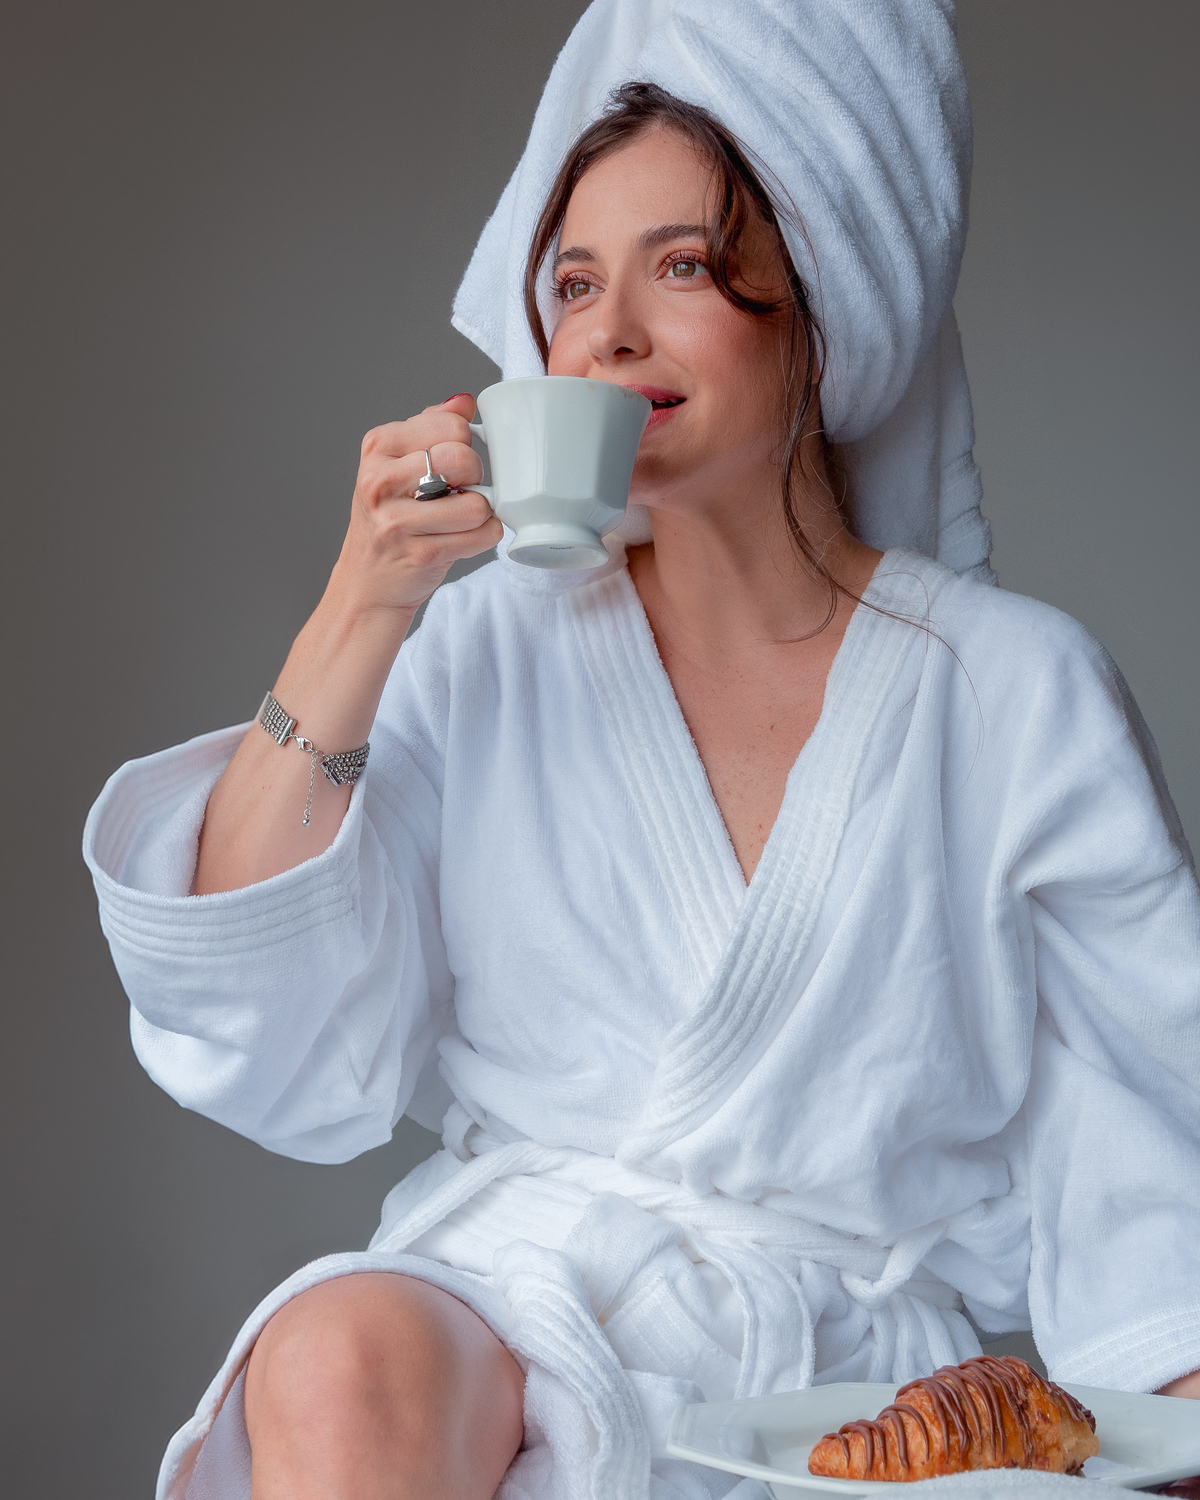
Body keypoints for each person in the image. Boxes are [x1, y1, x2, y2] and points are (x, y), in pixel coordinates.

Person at [83, 4, 1200, 1499]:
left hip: (849, 1402)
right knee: (338, 1350)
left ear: (821, 306)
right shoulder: (483, 647)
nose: (605, 330)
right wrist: (364, 605)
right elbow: (256, 1025)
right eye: (572, 282)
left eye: (680, 266)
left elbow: (1154, 1189)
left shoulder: (1012, 693)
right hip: (509, 1322)